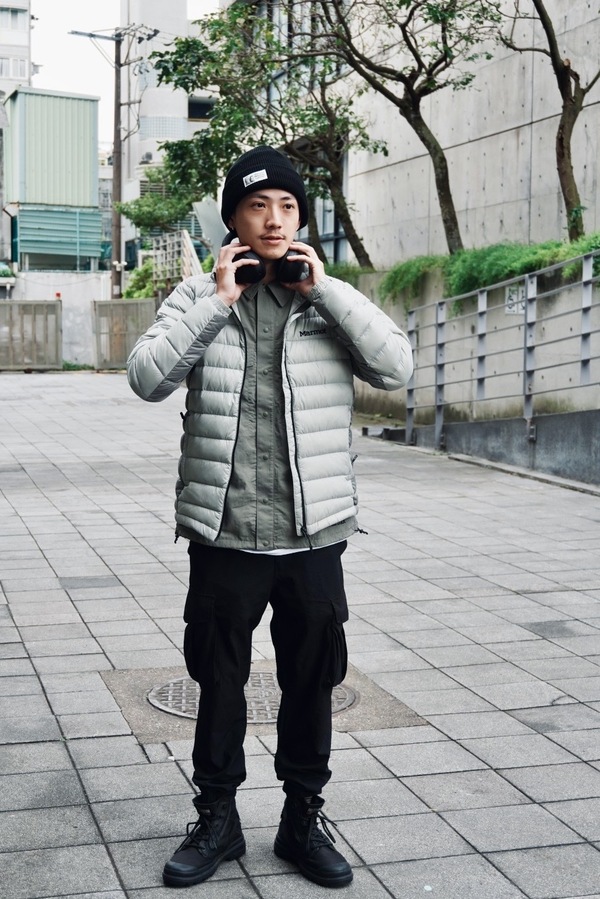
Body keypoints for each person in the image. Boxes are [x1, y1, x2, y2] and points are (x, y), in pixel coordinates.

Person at [127, 145, 413, 889]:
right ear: (234, 220)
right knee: (218, 680)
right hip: (225, 531)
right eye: (259, 206)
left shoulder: (326, 297)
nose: (275, 219)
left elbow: (396, 367)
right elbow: (147, 378)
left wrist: (328, 293)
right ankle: (217, 819)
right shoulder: (198, 295)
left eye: (288, 206)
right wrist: (217, 301)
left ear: (302, 219)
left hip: (313, 534)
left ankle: (301, 819)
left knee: (312, 680)